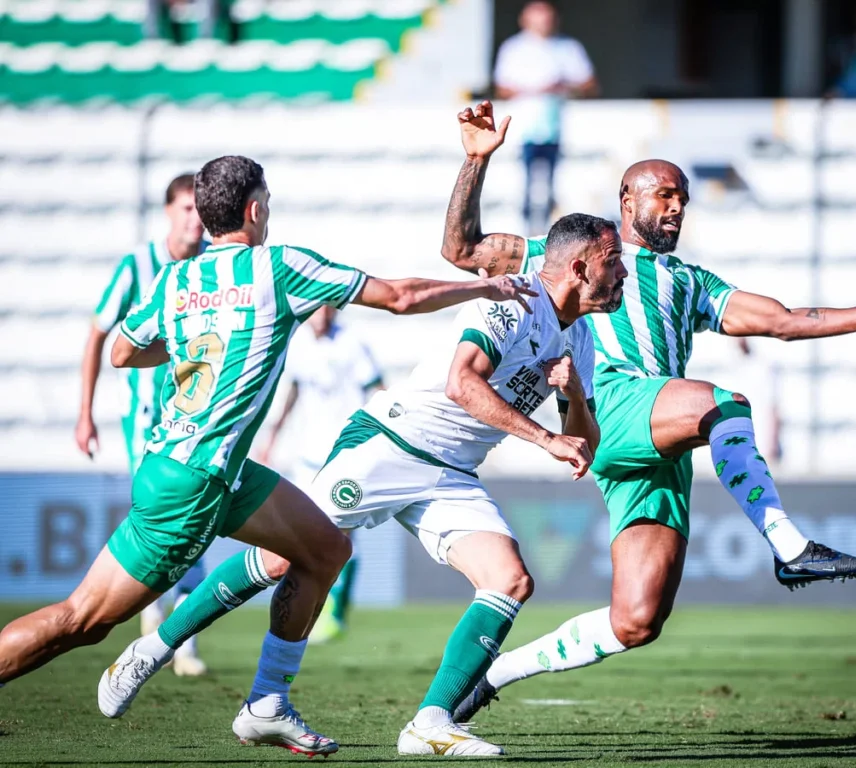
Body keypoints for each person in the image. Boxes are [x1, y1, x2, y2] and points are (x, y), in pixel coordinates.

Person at [0, 155, 534, 759]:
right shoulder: (279, 267)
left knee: (326, 548)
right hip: (192, 483)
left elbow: (123, 353)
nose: (270, 212)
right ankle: (166, 656)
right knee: (82, 621)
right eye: (269, 202)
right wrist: (484, 284)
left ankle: (267, 705)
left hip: (202, 469)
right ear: (255, 210)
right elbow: (401, 296)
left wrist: (189, 345)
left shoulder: (176, 280)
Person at [439, 102, 856, 721]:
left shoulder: (691, 280)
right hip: (610, 404)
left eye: (682, 196)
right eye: (663, 195)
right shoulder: (567, 251)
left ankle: (492, 674)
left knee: (636, 620)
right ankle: (788, 544)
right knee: (727, 403)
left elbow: (784, 322)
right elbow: (460, 248)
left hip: (657, 440)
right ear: (627, 201)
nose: (677, 205)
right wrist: (476, 160)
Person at [97, 212, 625, 757]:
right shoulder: (511, 303)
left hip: (451, 473)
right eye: (615, 262)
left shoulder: (580, 339)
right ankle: (153, 648)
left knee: (510, 580)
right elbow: (460, 384)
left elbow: (579, 442)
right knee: (281, 560)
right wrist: (544, 438)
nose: (624, 275)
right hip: (391, 445)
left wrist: (578, 397)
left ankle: (428, 723)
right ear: (581, 267)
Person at [76, 172, 211, 677]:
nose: (195, 219)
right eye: (186, 209)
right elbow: (99, 334)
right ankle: (163, 624)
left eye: (201, 209)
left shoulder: (209, 268)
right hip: (146, 419)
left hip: (195, 418)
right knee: (169, 517)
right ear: (169, 212)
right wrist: (85, 413)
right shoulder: (138, 264)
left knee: (196, 519)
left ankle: (173, 628)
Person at [257, 305, 385, 644]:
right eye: (318, 308)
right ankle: (309, 605)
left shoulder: (352, 343)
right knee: (301, 534)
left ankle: (335, 610)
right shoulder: (298, 344)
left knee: (340, 535)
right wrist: (273, 435)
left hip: (344, 453)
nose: (323, 314)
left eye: (330, 308)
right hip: (306, 455)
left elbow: (378, 389)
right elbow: (294, 392)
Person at [494, 1, 598, 231]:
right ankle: (524, 233)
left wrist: (562, 87)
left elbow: (590, 84)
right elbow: (501, 88)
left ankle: (555, 234)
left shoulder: (568, 48)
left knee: (556, 186)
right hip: (523, 129)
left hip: (558, 127)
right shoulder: (513, 48)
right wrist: (533, 89)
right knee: (523, 187)